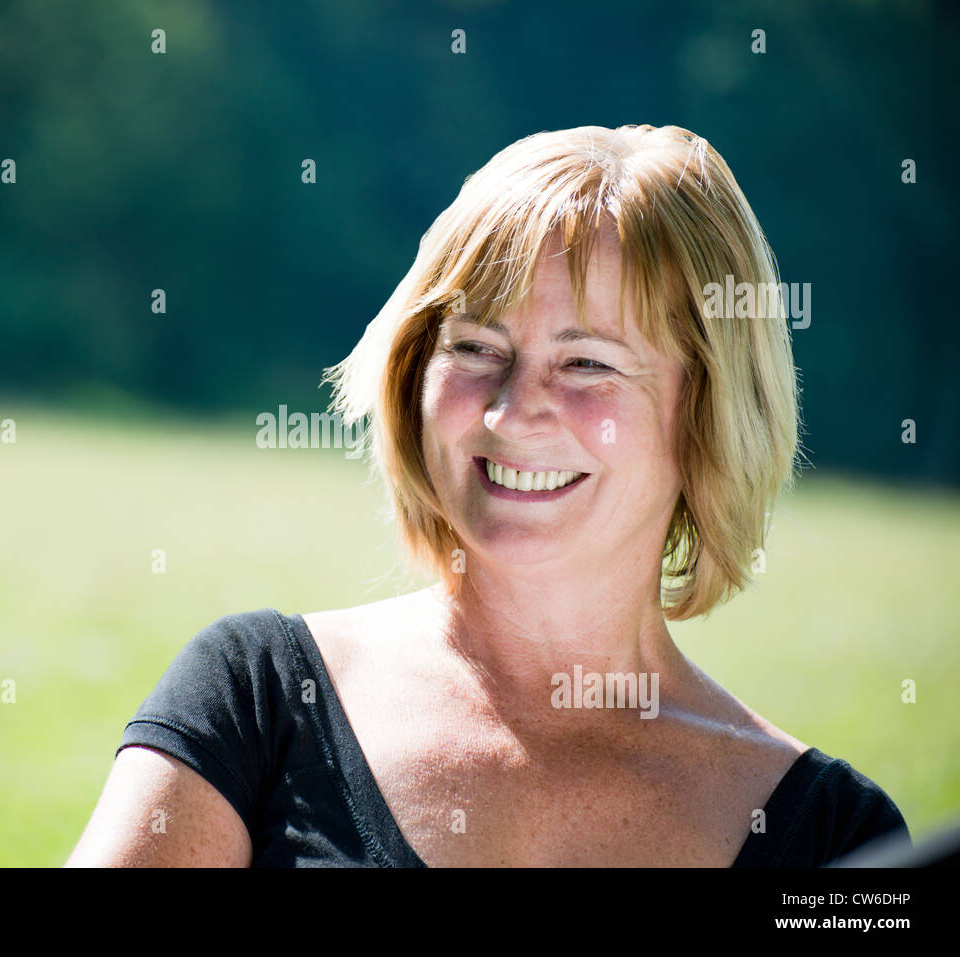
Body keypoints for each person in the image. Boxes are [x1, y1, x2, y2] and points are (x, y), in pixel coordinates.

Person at [66, 124, 910, 867]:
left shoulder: (836, 837)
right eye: (475, 346)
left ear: (710, 410)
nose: (511, 411)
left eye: (588, 363)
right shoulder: (258, 698)